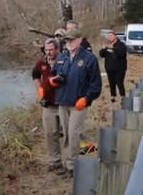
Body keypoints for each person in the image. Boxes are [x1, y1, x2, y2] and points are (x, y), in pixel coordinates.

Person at [50, 28, 102, 177]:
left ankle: (72, 166)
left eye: (72, 40)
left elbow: (95, 84)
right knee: (66, 134)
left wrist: (87, 98)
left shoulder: (89, 58)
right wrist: (52, 81)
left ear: (80, 39)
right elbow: (54, 75)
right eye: (67, 40)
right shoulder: (62, 57)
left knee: (74, 134)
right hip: (63, 101)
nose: (69, 43)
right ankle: (67, 164)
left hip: (79, 103)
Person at [31, 38, 62, 171]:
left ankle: (69, 161)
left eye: (51, 50)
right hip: (48, 104)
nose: (48, 52)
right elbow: (35, 76)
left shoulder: (64, 61)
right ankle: (54, 161)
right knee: (50, 134)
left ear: (57, 49)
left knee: (67, 134)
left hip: (64, 104)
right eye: (46, 50)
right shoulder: (41, 64)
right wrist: (40, 91)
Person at [99, 30, 127, 102]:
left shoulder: (121, 45)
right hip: (109, 68)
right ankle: (113, 96)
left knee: (119, 82)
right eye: (109, 36)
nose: (110, 37)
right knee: (111, 83)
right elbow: (101, 55)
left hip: (120, 68)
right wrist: (103, 49)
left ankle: (123, 97)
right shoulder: (107, 45)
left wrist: (113, 48)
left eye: (111, 36)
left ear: (115, 37)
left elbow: (122, 54)